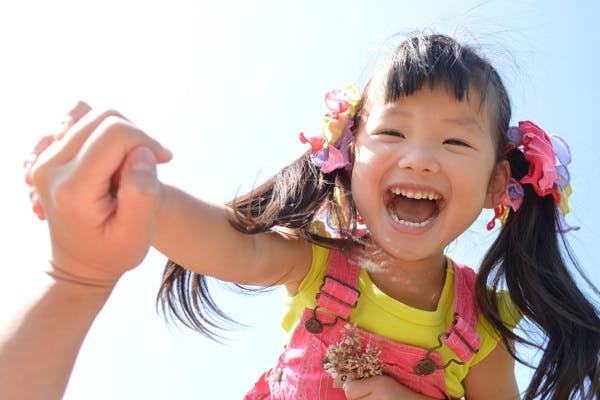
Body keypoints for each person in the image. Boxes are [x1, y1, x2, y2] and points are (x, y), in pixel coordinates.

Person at [8, 33, 600, 399]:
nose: (419, 158)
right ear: (348, 156)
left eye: (455, 142)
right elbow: (230, 242)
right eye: (392, 133)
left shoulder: (482, 327)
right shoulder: (318, 262)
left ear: (498, 183)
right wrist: (145, 198)